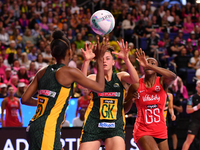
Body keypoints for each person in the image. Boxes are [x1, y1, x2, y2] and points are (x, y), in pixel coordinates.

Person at [21, 30, 109, 150]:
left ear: (52, 53)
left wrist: (48, 103)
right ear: (70, 52)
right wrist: (99, 59)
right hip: (47, 129)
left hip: (34, 126)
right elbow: (100, 87)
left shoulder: (42, 72)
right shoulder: (69, 72)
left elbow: (24, 99)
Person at [79, 39, 139, 150]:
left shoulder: (120, 77)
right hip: (94, 123)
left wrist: (126, 59)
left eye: (108, 58)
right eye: (102, 59)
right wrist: (86, 61)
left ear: (113, 62)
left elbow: (135, 80)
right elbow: (81, 85)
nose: (104, 61)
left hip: (114, 125)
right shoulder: (93, 77)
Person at [124, 49, 176, 150]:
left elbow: (173, 76)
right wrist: (131, 100)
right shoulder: (136, 85)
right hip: (143, 130)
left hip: (160, 130)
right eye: (147, 62)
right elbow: (125, 109)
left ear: (157, 68)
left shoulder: (161, 82)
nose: (149, 64)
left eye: (153, 63)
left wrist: (149, 66)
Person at [182, 80, 200, 150]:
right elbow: (187, 110)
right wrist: (196, 107)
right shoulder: (192, 97)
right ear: (196, 87)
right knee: (189, 140)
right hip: (195, 121)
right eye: (199, 87)